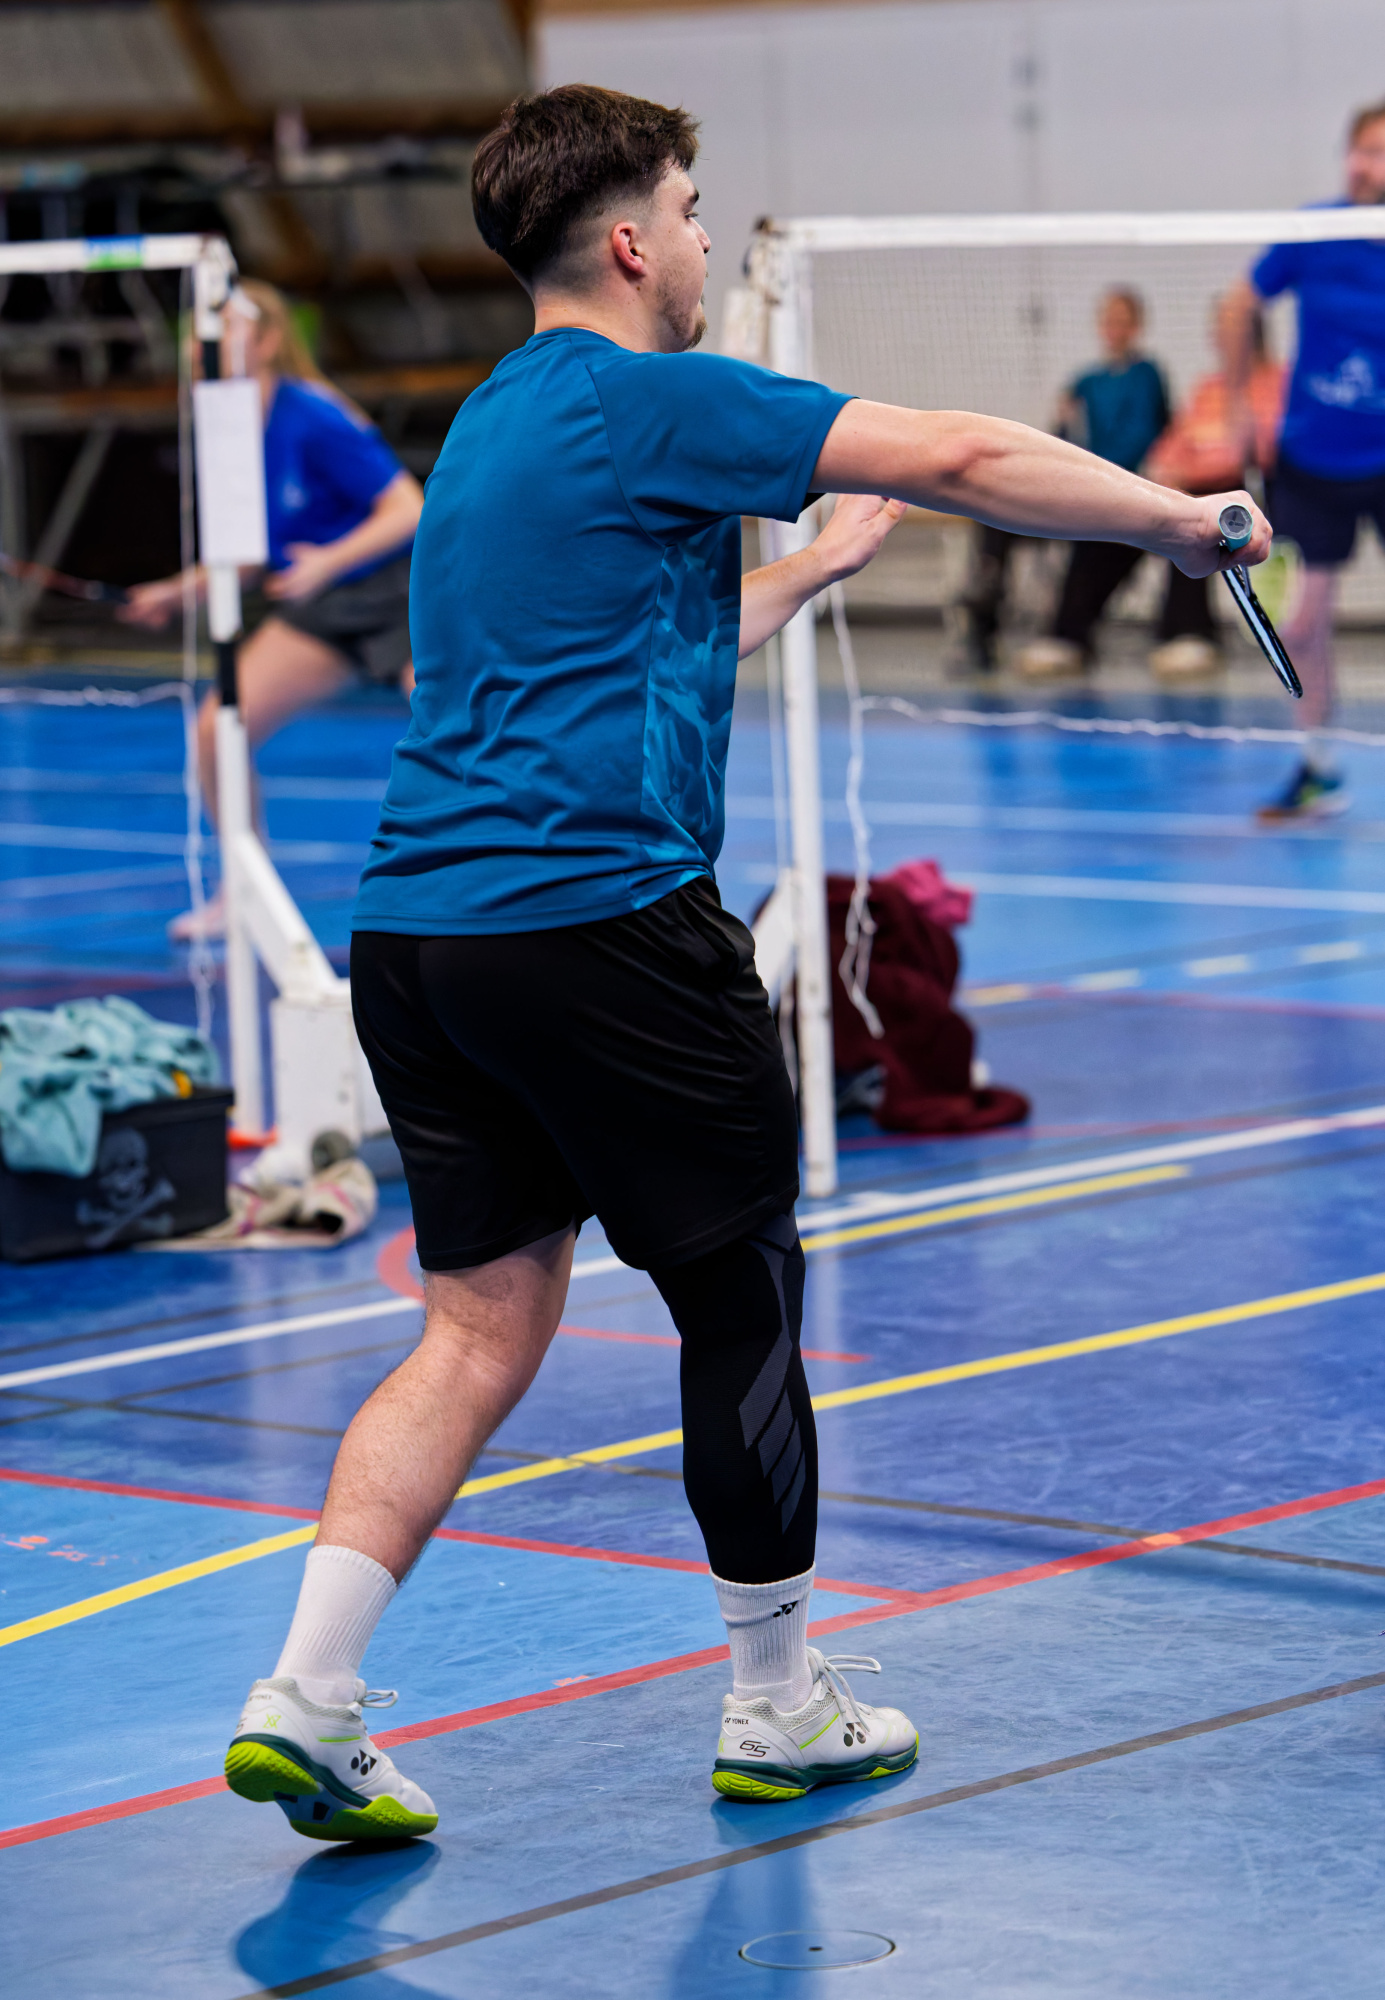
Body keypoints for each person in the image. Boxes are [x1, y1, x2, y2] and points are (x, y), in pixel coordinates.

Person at [222, 85, 1270, 1845]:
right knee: (741, 1302)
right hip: (602, 928)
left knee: (477, 1323)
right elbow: (955, 453)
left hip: (421, 941)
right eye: (695, 210)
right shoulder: (651, 395)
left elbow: (614, 651)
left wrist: (815, 571)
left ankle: (306, 1698)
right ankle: (780, 1704)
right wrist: (1176, 519)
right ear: (632, 241)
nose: (708, 241)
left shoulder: (490, 425)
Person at [120, 280, 424, 935]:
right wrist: (175, 591)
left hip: (398, 588)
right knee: (217, 732)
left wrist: (327, 561)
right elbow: (250, 553)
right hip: (322, 604)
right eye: (201, 329)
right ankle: (242, 892)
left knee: (445, 725)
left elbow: (408, 508)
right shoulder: (229, 431)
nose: (206, 340)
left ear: (265, 341)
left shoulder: (314, 412)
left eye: (227, 326)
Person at [1227, 100, 1385, 819]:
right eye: (1358, 149)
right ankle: (1317, 769)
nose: (1362, 164)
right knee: (1299, 627)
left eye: (1378, 152)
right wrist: (1239, 401)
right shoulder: (1315, 230)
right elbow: (1240, 304)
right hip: (1312, 462)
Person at [1010, 288, 1171, 679]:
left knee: (1101, 543)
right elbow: (1062, 438)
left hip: (1131, 492)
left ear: (1137, 327)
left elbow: (1144, 436)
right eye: (1109, 320)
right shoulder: (1085, 382)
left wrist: (1098, 474)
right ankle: (989, 620)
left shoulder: (1148, 376)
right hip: (1089, 490)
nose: (1115, 328)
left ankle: (1071, 634)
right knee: (1001, 523)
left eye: (1123, 321)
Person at [1144, 294, 1286, 682]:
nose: (1220, 334)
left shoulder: (1279, 381)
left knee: (1197, 519)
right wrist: (1168, 473)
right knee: (1122, 517)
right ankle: (1067, 635)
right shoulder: (1208, 388)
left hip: (1255, 495)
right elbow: (1170, 449)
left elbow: (1262, 451)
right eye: (1219, 326)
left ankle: (1190, 634)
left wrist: (1201, 463)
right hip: (1197, 492)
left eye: (1230, 326)